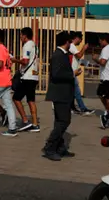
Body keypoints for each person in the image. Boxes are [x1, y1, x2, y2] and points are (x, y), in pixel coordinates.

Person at [43, 31, 76, 161]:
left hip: (64, 93)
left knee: (59, 121)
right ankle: (50, 147)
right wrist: (72, 75)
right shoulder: (58, 55)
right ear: (66, 42)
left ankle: (60, 147)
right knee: (64, 121)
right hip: (60, 93)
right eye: (70, 42)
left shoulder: (62, 54)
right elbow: (56, 74)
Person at [12, 27, 41, 133]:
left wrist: (14, 60)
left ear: (25, 36)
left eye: (21, 35)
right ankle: (35, 124)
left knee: (16, 98)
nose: (20, 37)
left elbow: (25, 61)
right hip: (34, 76)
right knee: (31, 100)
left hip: (27, 77)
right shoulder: (34, 45)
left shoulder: (27, 45)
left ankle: (25, 120)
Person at [69, 32, 94, 116]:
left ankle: (71, 107)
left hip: (73, 73)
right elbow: (79, 55)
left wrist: (86, 63)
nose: (81, 41)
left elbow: (77, 59)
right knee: (77, 92)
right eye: (81, 39)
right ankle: (83, 109)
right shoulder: (71, 46)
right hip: (72, 73)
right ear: (77, 38)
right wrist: (84, 48)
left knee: (72, 92)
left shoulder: (72, 47)